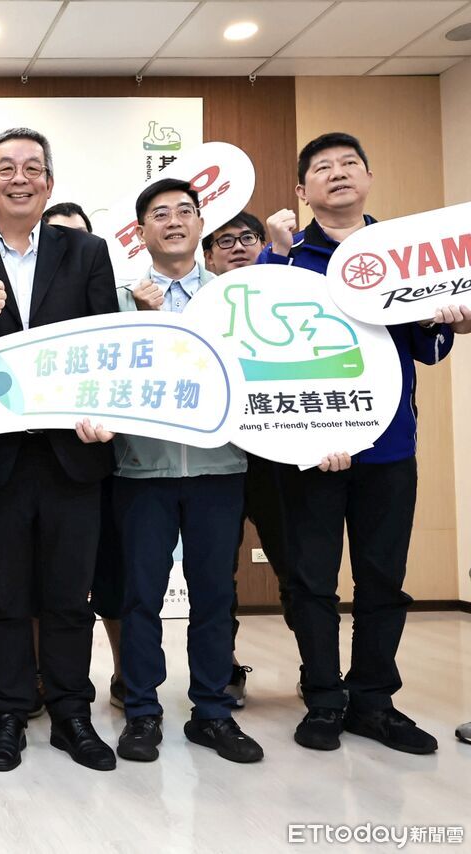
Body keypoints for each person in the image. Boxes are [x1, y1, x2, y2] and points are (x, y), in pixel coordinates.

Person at [259, 132, 469, 754]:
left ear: (369, 179)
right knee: (312, 580)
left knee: (383, 579)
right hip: (309, 445)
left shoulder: (405, 254)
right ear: (303, 191)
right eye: (322, 168)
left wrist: (444, 319)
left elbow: (429, 350)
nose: (339, 173)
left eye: (350, 163)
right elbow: (258, 342)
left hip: (388, 447)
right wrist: (274, 255)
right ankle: (324, 698)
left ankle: (374, 701)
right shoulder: (287, 255)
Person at [0, 128, 120, 773]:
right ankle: (7, 713)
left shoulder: (87, 252)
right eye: (6, 168)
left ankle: (71, 714)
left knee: (69, 596)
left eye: (33, 168)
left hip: (73, 455)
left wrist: (105, 415)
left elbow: (106, 345)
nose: (20, 178)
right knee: (3, 596)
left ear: (49, 184)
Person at [105, 179, 264, 764]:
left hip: (220, 467)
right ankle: (142, 712)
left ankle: (212, 713)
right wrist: (143, 321)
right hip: (141, 470)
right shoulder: (118, 299)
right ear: (140, 231)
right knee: (141, 597)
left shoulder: (232, 296)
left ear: (201, 224)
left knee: (215, 595)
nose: (174, 221)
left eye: (185, 211)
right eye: (159, 213)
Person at [30, 201, 125, 717]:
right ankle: (27, 688)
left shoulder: (96, 268)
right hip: (17, 458)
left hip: (84, 457)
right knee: (18, 591)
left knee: (84, 587)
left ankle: (79, 699)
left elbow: (109, 350)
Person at [203, 211, 290, 707]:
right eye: (225, 241)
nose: (238, 247)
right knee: (219, 575)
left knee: (296, 567)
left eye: (248, 238)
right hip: (218, 460)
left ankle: (317, 671)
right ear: (209, 256)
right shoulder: (199, 309)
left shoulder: (290, 298)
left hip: (280, 458)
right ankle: (223, 669)